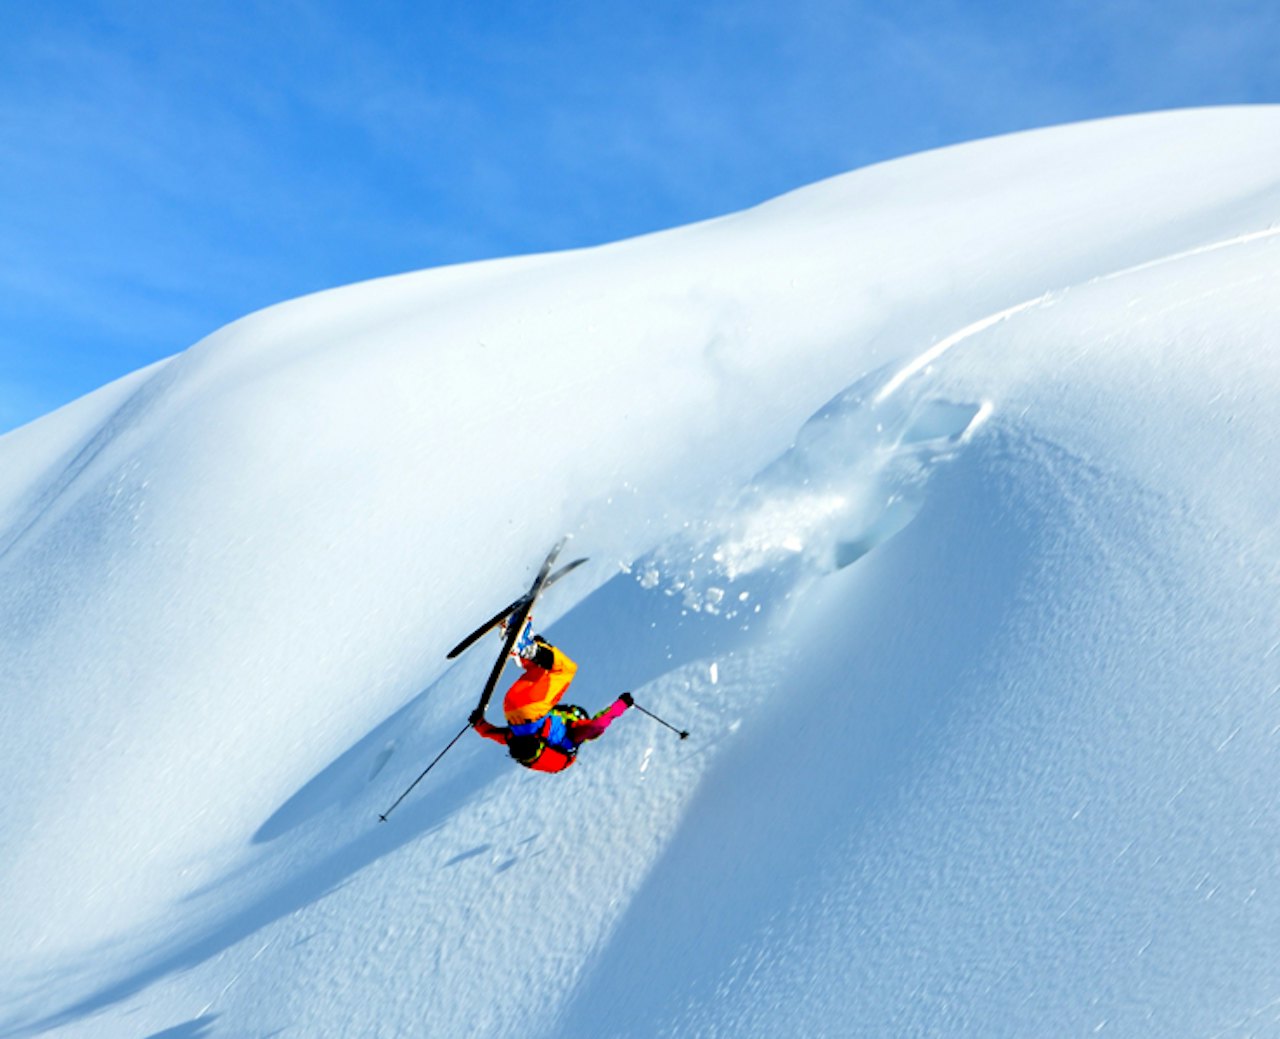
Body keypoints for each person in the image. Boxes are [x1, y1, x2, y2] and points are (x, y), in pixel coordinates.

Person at [469, 626, 632, 772]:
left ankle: (525, 648)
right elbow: (499, 736)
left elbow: (597, 724)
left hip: (531, 708)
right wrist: (480, 725)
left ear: (576, 717)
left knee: (567, 670)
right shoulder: (535, 738)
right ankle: (521, 641)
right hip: (511, 706)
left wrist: (621, 705)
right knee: (542, 670)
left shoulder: (573, 735)